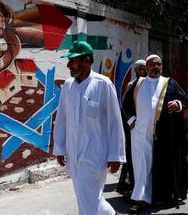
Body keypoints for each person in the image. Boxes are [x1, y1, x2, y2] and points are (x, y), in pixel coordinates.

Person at [53, 40, 126, 215]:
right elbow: (61, 118)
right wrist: (60, 147)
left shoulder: (103, 84)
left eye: (73, 60)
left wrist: (116, 155)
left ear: (86, 61)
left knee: (88, 196)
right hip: (73, 153)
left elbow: (115, 122)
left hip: (95, 153)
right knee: (88, 197)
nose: (69, 64)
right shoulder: (68, 86)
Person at [122, 54, 187, 213]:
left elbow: (184, 99)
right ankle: (140, 199)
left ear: (161, 66)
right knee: (141, 167)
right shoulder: (138, 83)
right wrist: (131, 122)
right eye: (151, 65)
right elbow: (125, 103)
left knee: (159, 166)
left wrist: (177, 104)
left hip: (162, 135)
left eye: (158, 64)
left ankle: (157, 196)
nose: (155, 67)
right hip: (139, 134)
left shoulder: (169, 83)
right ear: (146, 67)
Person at [117, 59, 147, 196]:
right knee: (132, 154)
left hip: (147, 125)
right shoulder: (131, 85)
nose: (142, 71)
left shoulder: (151, 83)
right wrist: (131, 122)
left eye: (144, 68)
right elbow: (125, 105)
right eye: (139, 69)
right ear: (136, 70)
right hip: (134, 125)